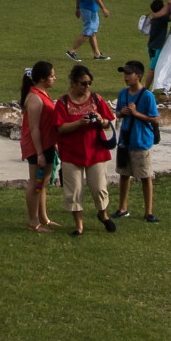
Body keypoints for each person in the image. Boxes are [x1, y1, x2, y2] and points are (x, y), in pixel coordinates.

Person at [52, 63, 117, 235]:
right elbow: (60, 128)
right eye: (83, 83)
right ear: (73, 83)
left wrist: (100, 120)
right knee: (74, 190)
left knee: (99, 187)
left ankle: (103, 214)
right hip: (71, 152)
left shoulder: (96, 99)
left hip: (95, 151)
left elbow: (108, 122)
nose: (87, 87)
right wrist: (79, 123)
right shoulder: (63, 102)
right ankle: (79, 225)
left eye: (89, 83)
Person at [112, 60, 160, 223]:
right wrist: (123, 113)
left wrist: (135, 113)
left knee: (145, 176)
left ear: (138, 76)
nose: (126, 77)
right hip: (125, 140)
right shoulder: (123, 94)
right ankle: (122, 208)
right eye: (124, 74)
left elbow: (155, 119)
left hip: (141, 141)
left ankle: (148, 211)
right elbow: (117, 114)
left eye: (129, 74)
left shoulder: (147, 96)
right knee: (124, 175)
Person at [19, 60, 60, 233]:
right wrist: (40, 153)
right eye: (52, 76)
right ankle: (33, 221)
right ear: (43, 79)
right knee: (36, 182)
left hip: (47, 143)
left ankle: (44, 218)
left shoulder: (42, 93)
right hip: (38, 146)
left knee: (42, 182)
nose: (55, 78)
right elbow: (34, 128)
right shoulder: (35, 97)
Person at [138, 0, 171, 88]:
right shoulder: (162, 18)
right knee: (152, 69)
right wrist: (170, 5)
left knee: (157, 67)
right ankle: (146, 88)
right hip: (158, 47)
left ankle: (161, 86)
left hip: (151, 46)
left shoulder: (154, 19)